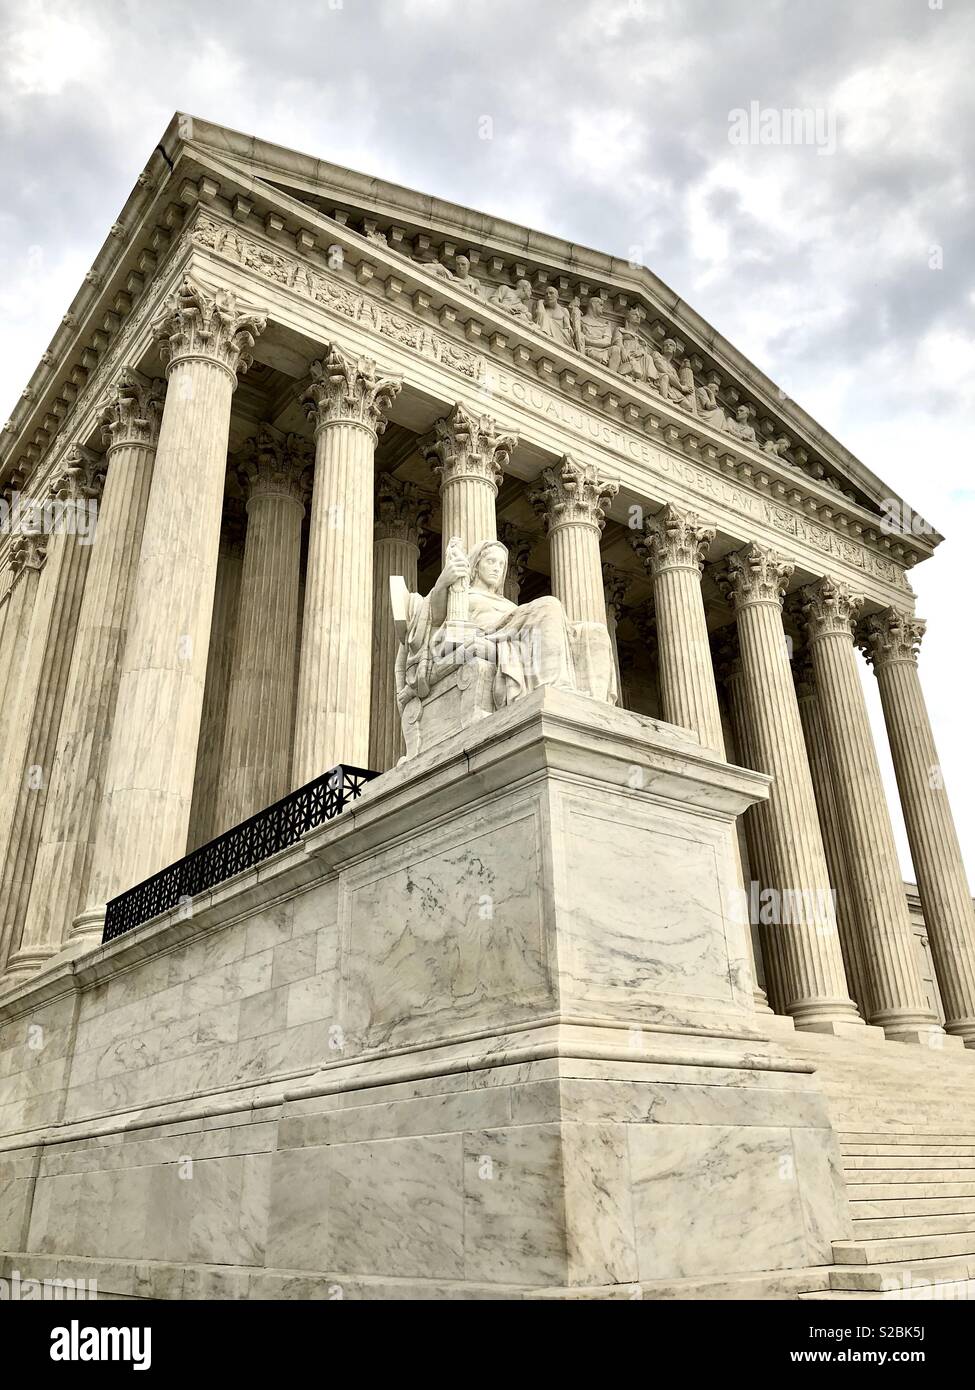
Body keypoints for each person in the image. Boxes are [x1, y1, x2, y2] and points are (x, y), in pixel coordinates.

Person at [399, 539, 577, 708]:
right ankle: (554, 688)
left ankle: (575, 697)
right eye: (491, 561)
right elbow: (435, 621)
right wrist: (443, 582)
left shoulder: (510, 606)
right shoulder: (461, 594)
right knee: (549, 605)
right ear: (476, 565)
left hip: (516, 636)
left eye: (501, 565)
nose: (497, 569)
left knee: (593, 632)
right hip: (491, 636)